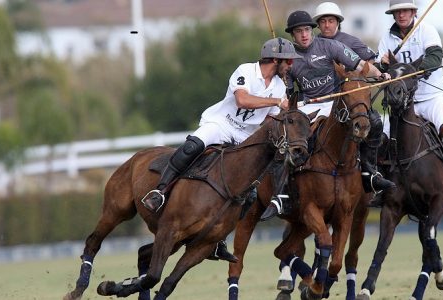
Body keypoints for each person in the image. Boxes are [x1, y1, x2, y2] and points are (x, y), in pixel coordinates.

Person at [141, 37, 302, 262]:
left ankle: (218, 239)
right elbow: (242, 100)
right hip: (221, 124)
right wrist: (276, 102)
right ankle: (159, 191)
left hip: (245, 137)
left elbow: (269, 121)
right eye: (289, 61)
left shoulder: (280, 86)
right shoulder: (246, 70)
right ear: (275, 59)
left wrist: (291, 114)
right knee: (191, 147)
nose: (291, 66)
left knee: (249, 193)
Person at [259, 10, 395, 221]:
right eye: (298, 31)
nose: (303, 35)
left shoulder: (330, 46)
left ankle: (370, 172)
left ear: (311, 31)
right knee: (288, 137)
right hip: (307, 107)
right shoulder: (288, 57)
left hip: (337, 104)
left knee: (374, 121)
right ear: (292, 35)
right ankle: (281, 193)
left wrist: (380, 74)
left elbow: (359, 65)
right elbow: (284, 89)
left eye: (306, 30)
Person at [378, 0, 443, 199]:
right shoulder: (387, 38)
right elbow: (382, 69)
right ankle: (382, 185)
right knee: (382, 139)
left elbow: (435, 57)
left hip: (431, 96)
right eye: (397, 12)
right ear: (393, 15)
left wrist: (414, 70)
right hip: (402, 104)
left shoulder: (426, 30)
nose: (401, 15)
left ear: (414, 12)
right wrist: (383, 67)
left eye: (405, 11)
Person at [312, 1, 396, 199]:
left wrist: (382, 69)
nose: (326, 25)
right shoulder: (312, 45)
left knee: (374, 122)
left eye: (330, 21)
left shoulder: (351, 41)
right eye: (323, 21)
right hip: (323, 101)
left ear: (338, 22)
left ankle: (369, 171)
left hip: (352, 100)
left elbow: (371, 63)